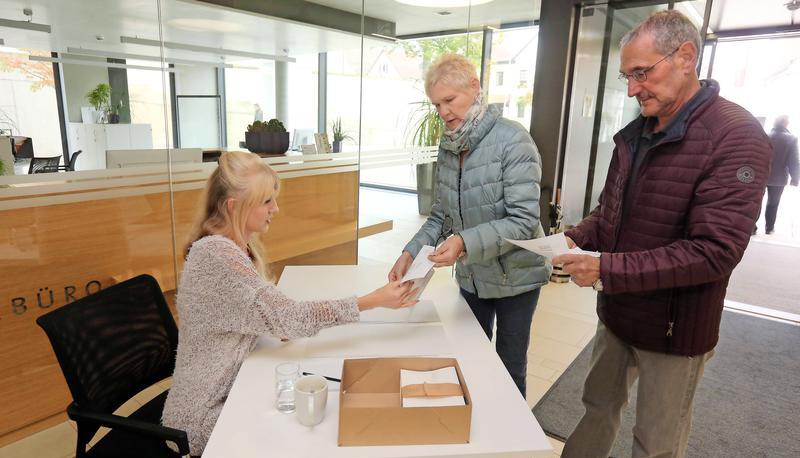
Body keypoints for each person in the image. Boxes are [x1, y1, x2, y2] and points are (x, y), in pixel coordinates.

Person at [553, 11, 772, 458]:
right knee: (597, 407)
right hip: (618, 312)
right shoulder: (635, 133)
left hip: (675, 328)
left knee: (655, 442)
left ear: (686, 57)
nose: (632, 89)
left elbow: (714, 253)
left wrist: (605, 267)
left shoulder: (735, 136)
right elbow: (610, 212)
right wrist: (576, 237)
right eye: (627, 77)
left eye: (642, 73)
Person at [162, 151, 416, 456]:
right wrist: (373, 300)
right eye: (267, 201)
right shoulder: (217, 256)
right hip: (203, 416)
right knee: (312, 428)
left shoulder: (230, 244)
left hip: (232, 386)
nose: (276, 208)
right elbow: (290, 318)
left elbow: (269, 316)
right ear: (234, 206)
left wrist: (276, 321)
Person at [388, 54, 551, 398]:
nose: (444, 112)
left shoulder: (514, 141)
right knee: (470, 359)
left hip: (516, 278)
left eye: (450, 100)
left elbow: (524, 221)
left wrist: (463, 241)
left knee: (508, 368)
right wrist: (410, 252)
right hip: (473, 276)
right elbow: (440, 216)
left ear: (475, 88)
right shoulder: (449, 147)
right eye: (437, 104)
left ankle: (508, 439)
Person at [760, 115, 798, 234]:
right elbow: (794, 160)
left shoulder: (765, 135)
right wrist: (795, 178)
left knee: (756, 202)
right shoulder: (791, 139)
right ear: (786, 123)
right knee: (773, 203)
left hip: (761, 175)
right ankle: (769, 228)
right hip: (779, 178)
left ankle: (751, 228)